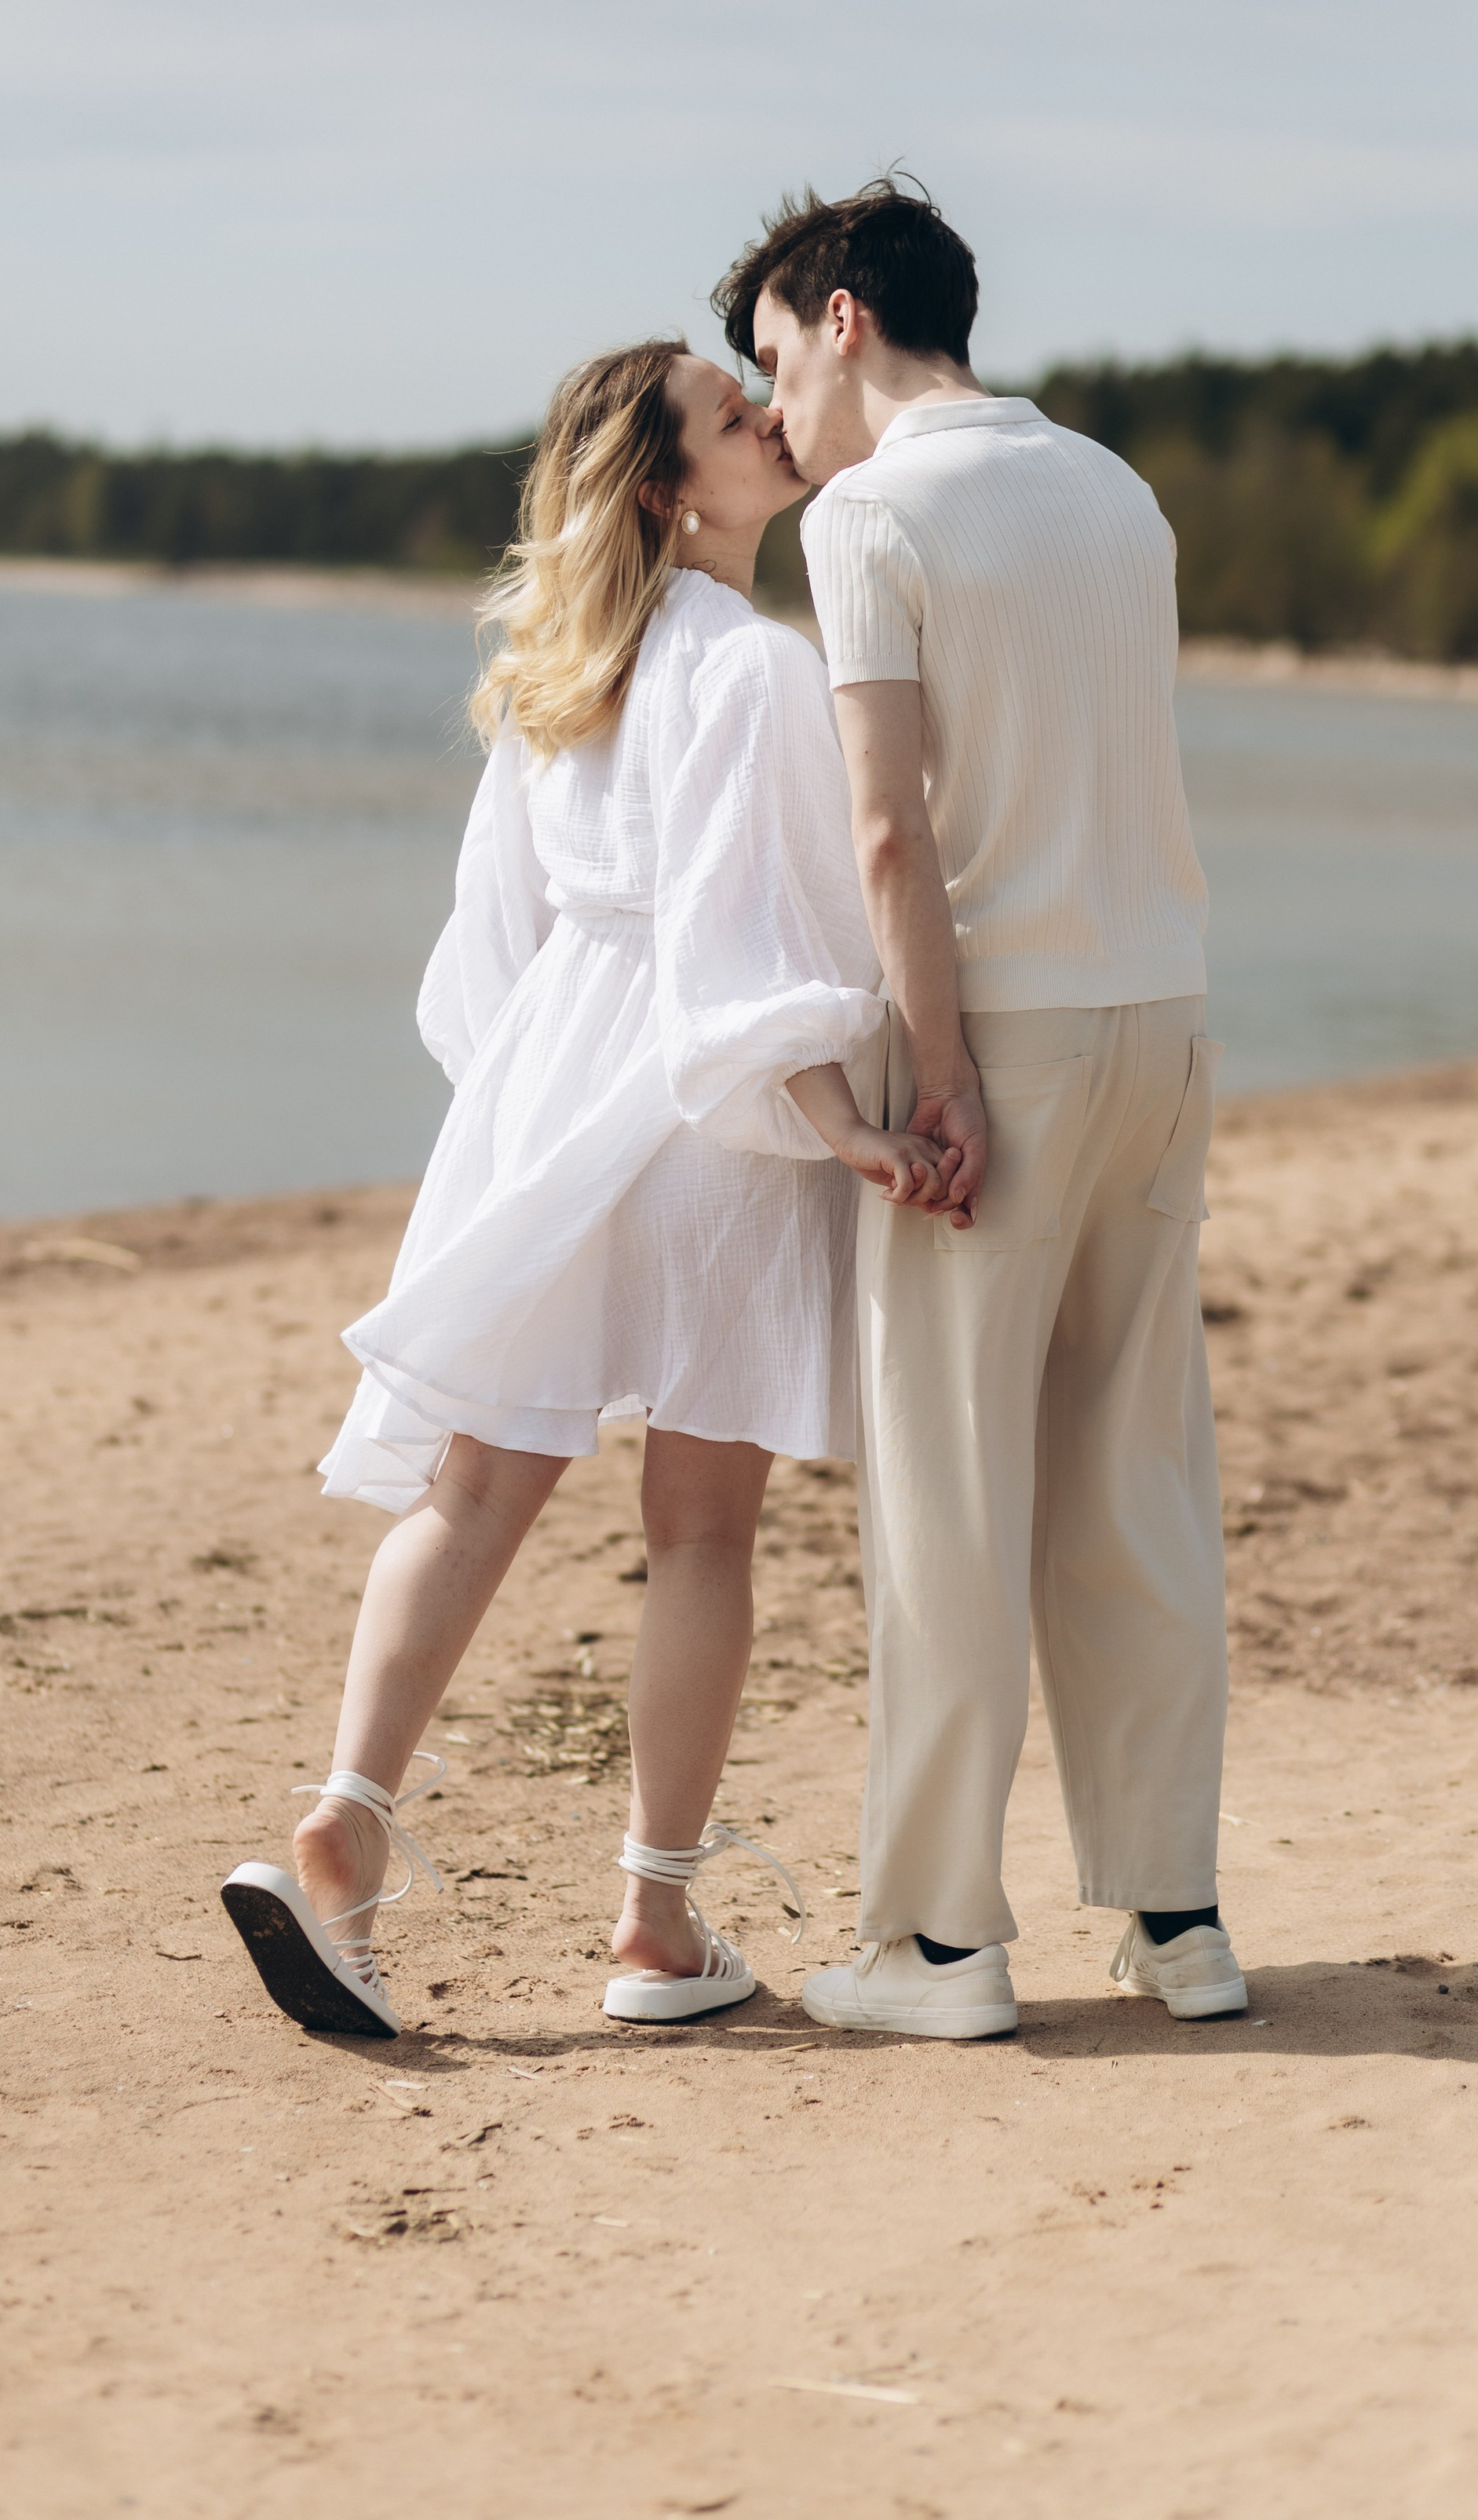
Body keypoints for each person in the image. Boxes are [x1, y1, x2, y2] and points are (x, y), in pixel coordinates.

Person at [220, 337, 950, 2040]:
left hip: (552, 1090)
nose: (767, 417)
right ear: (668, 489)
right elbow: (749, 938)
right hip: (712, 1119)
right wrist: (840, 1122)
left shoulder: (569, 672)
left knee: (473, 1489)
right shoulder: (754, 667)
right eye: (730, 415)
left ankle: (346, 1815)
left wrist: (524, 1115)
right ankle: (653, 1924)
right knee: (698, 1527)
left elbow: (492, 941)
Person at [712, 177, 1247, 2037]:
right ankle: (1177, 1923)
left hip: (1002, 1034)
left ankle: (938, 1946)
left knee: (946, 1500)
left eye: (772, 356)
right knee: (1134, 1475)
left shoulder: (866, 513)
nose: (770, 408)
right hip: (1159, 1019)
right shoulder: (1114, 488)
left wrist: (936, 1077)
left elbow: (888, 831)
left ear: (841, 317)